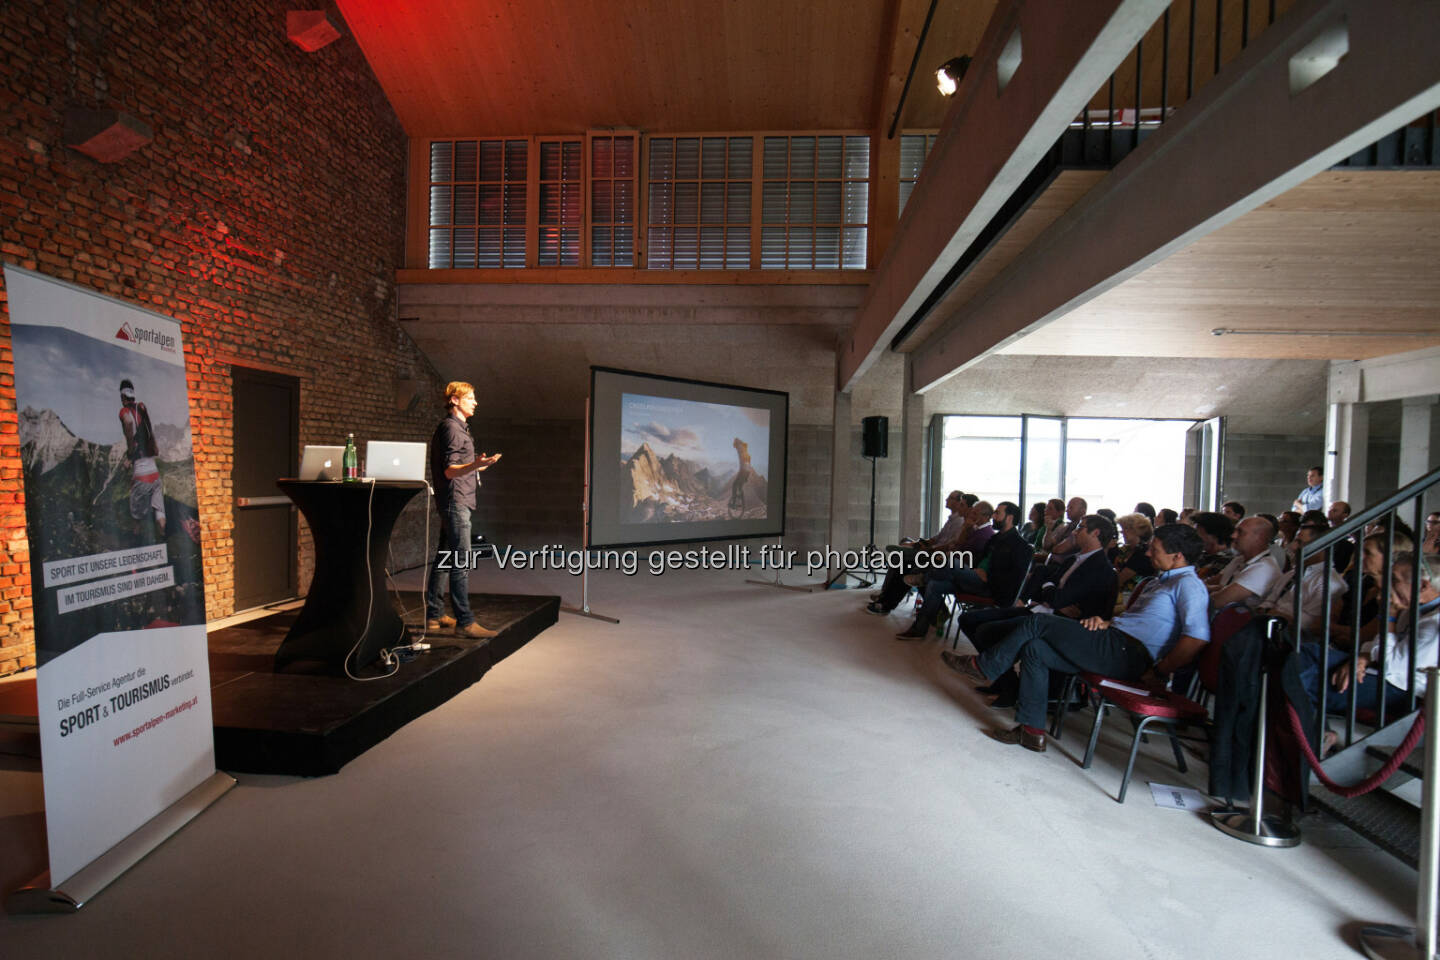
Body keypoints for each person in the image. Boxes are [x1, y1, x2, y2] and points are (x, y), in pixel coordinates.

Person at [946, 523, 1210, 752]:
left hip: (1127, 653)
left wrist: (1160, 672)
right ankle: (1031, 731)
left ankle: (984, 666)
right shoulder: (1160, 580)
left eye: (1156, 548)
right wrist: (1106, 622)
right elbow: (1145, 624)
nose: (1149, 552)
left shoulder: (1189, 585)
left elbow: (1196, 638)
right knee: (1035, 649)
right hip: (1114, 640)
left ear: (1177, 556)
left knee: (1038, 622)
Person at [426, 381, 502, 639]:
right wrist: (474, 465)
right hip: (456, 502)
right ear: (455, 400)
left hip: (455, 501)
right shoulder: (452, 429)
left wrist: (480, 465)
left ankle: (434, 616)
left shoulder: (457, 428)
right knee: (461, 561)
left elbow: (458, 466)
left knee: (444, 559)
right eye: (470, 397)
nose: (475, 402)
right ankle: (465, 622)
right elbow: (450, 470)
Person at [866, 490, 967, 614]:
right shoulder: (952, 520)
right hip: (933, 552)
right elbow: (937, 538)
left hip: (938, 557)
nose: (946, 499)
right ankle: (885, 597)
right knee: (902, 555)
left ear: (958, 503)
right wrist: (917, 544)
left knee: (905, 565)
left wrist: (927, 549)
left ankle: (886, 602)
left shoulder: (960, 522)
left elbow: (950, 546)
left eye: (950, 498)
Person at [118, 378, 166, 543]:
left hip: (141, 474)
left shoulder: (124, 411)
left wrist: (130, 455)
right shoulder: (141, 407)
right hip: (155, 473)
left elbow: (129, 423)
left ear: (122, 397)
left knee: (136, 519)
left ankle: (136, 547)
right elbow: (148, 429)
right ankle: (163, 541)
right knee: (160, 513)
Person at [1209, 515, 1282, 611]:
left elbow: (1217, 601)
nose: (1233, 536)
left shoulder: (1263, 568)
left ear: (1259, 538)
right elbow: (1215, 582)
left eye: (1240, 532)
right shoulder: (1239, 559)